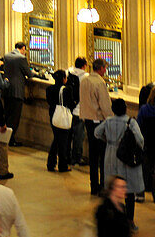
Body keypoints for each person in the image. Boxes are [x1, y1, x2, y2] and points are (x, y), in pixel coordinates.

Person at [94, 100, 144, 227]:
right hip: (124, 157)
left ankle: (111, 220)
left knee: (111, 187)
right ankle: (129, 220)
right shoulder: (131, 122)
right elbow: (140, 139)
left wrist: (108, 141)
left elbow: (97, 132)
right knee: (128, 190)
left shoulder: (108, 121)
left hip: (110, 156)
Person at [79, 57, 113, 196]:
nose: (105, 71)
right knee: (103, 155)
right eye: (105, 68)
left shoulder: (85, 80)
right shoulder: (99, 82)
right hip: (98, 121)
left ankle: (94, 185)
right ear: (100, 68)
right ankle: (103, 186)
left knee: (93, 154)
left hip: (87, 119)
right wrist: (110, 120)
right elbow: (105, 106)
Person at [136, 83, 155, 203]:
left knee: (144, 169)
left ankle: (140, 194)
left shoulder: (144, 109)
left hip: (146, 142)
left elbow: (138, 125)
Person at [1, 41, 32, 145]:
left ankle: (4, 138)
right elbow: (29, 74)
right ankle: (10, 139)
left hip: (7, 89)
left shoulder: (7, 56)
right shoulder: (21, 58)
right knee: (14, 117)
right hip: (17, 91)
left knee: (7, 115)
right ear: (23, 48)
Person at [46, 69, 74, 173]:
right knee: (63, 142)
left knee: (57, 139)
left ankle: (51, 163)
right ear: (63, 78)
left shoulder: (49, 89)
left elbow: (49, 101)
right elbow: (70, 104)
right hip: (63, 117)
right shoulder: (66, 90)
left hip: (53, 116)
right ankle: (62, 165)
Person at [66, 56, 88, 166]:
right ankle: (77, 157)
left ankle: (67, 155)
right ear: (84, 66)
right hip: (80, 110)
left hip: (68, 109)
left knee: (68, 135)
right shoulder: (85, 77)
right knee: (79, 136)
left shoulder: (68, 72)